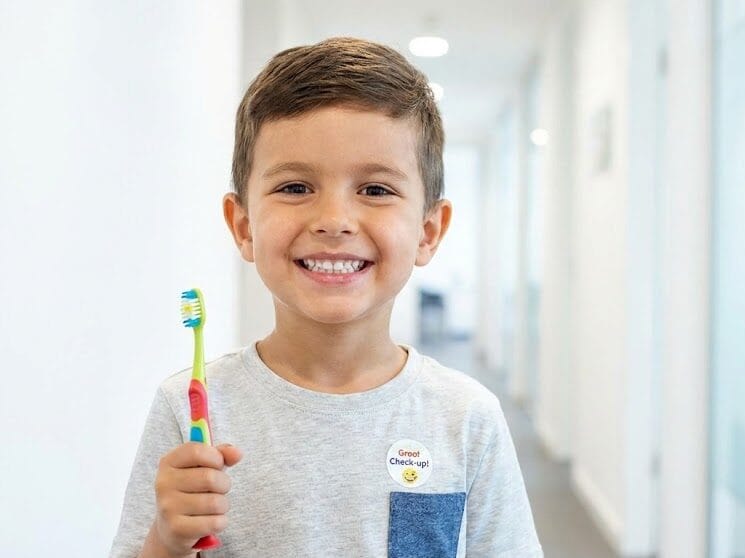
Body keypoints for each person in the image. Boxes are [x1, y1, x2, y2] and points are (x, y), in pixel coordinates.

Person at [110, 37, 541, 558]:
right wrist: (166, 539)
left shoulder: (467, 416)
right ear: (243, 226)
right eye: (295, 187)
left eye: (376, 190)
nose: (334, 221)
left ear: (428, 231)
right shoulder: (190, 406)